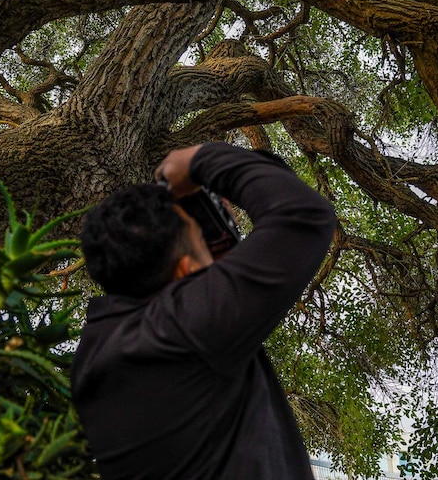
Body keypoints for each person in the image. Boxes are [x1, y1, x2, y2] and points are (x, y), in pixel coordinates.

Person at [71, 142, 337, 479]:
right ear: (185, 271)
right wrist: (199, 159)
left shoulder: (100, 354)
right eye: (201, 241)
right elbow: (303, 213)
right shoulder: (185, 329)